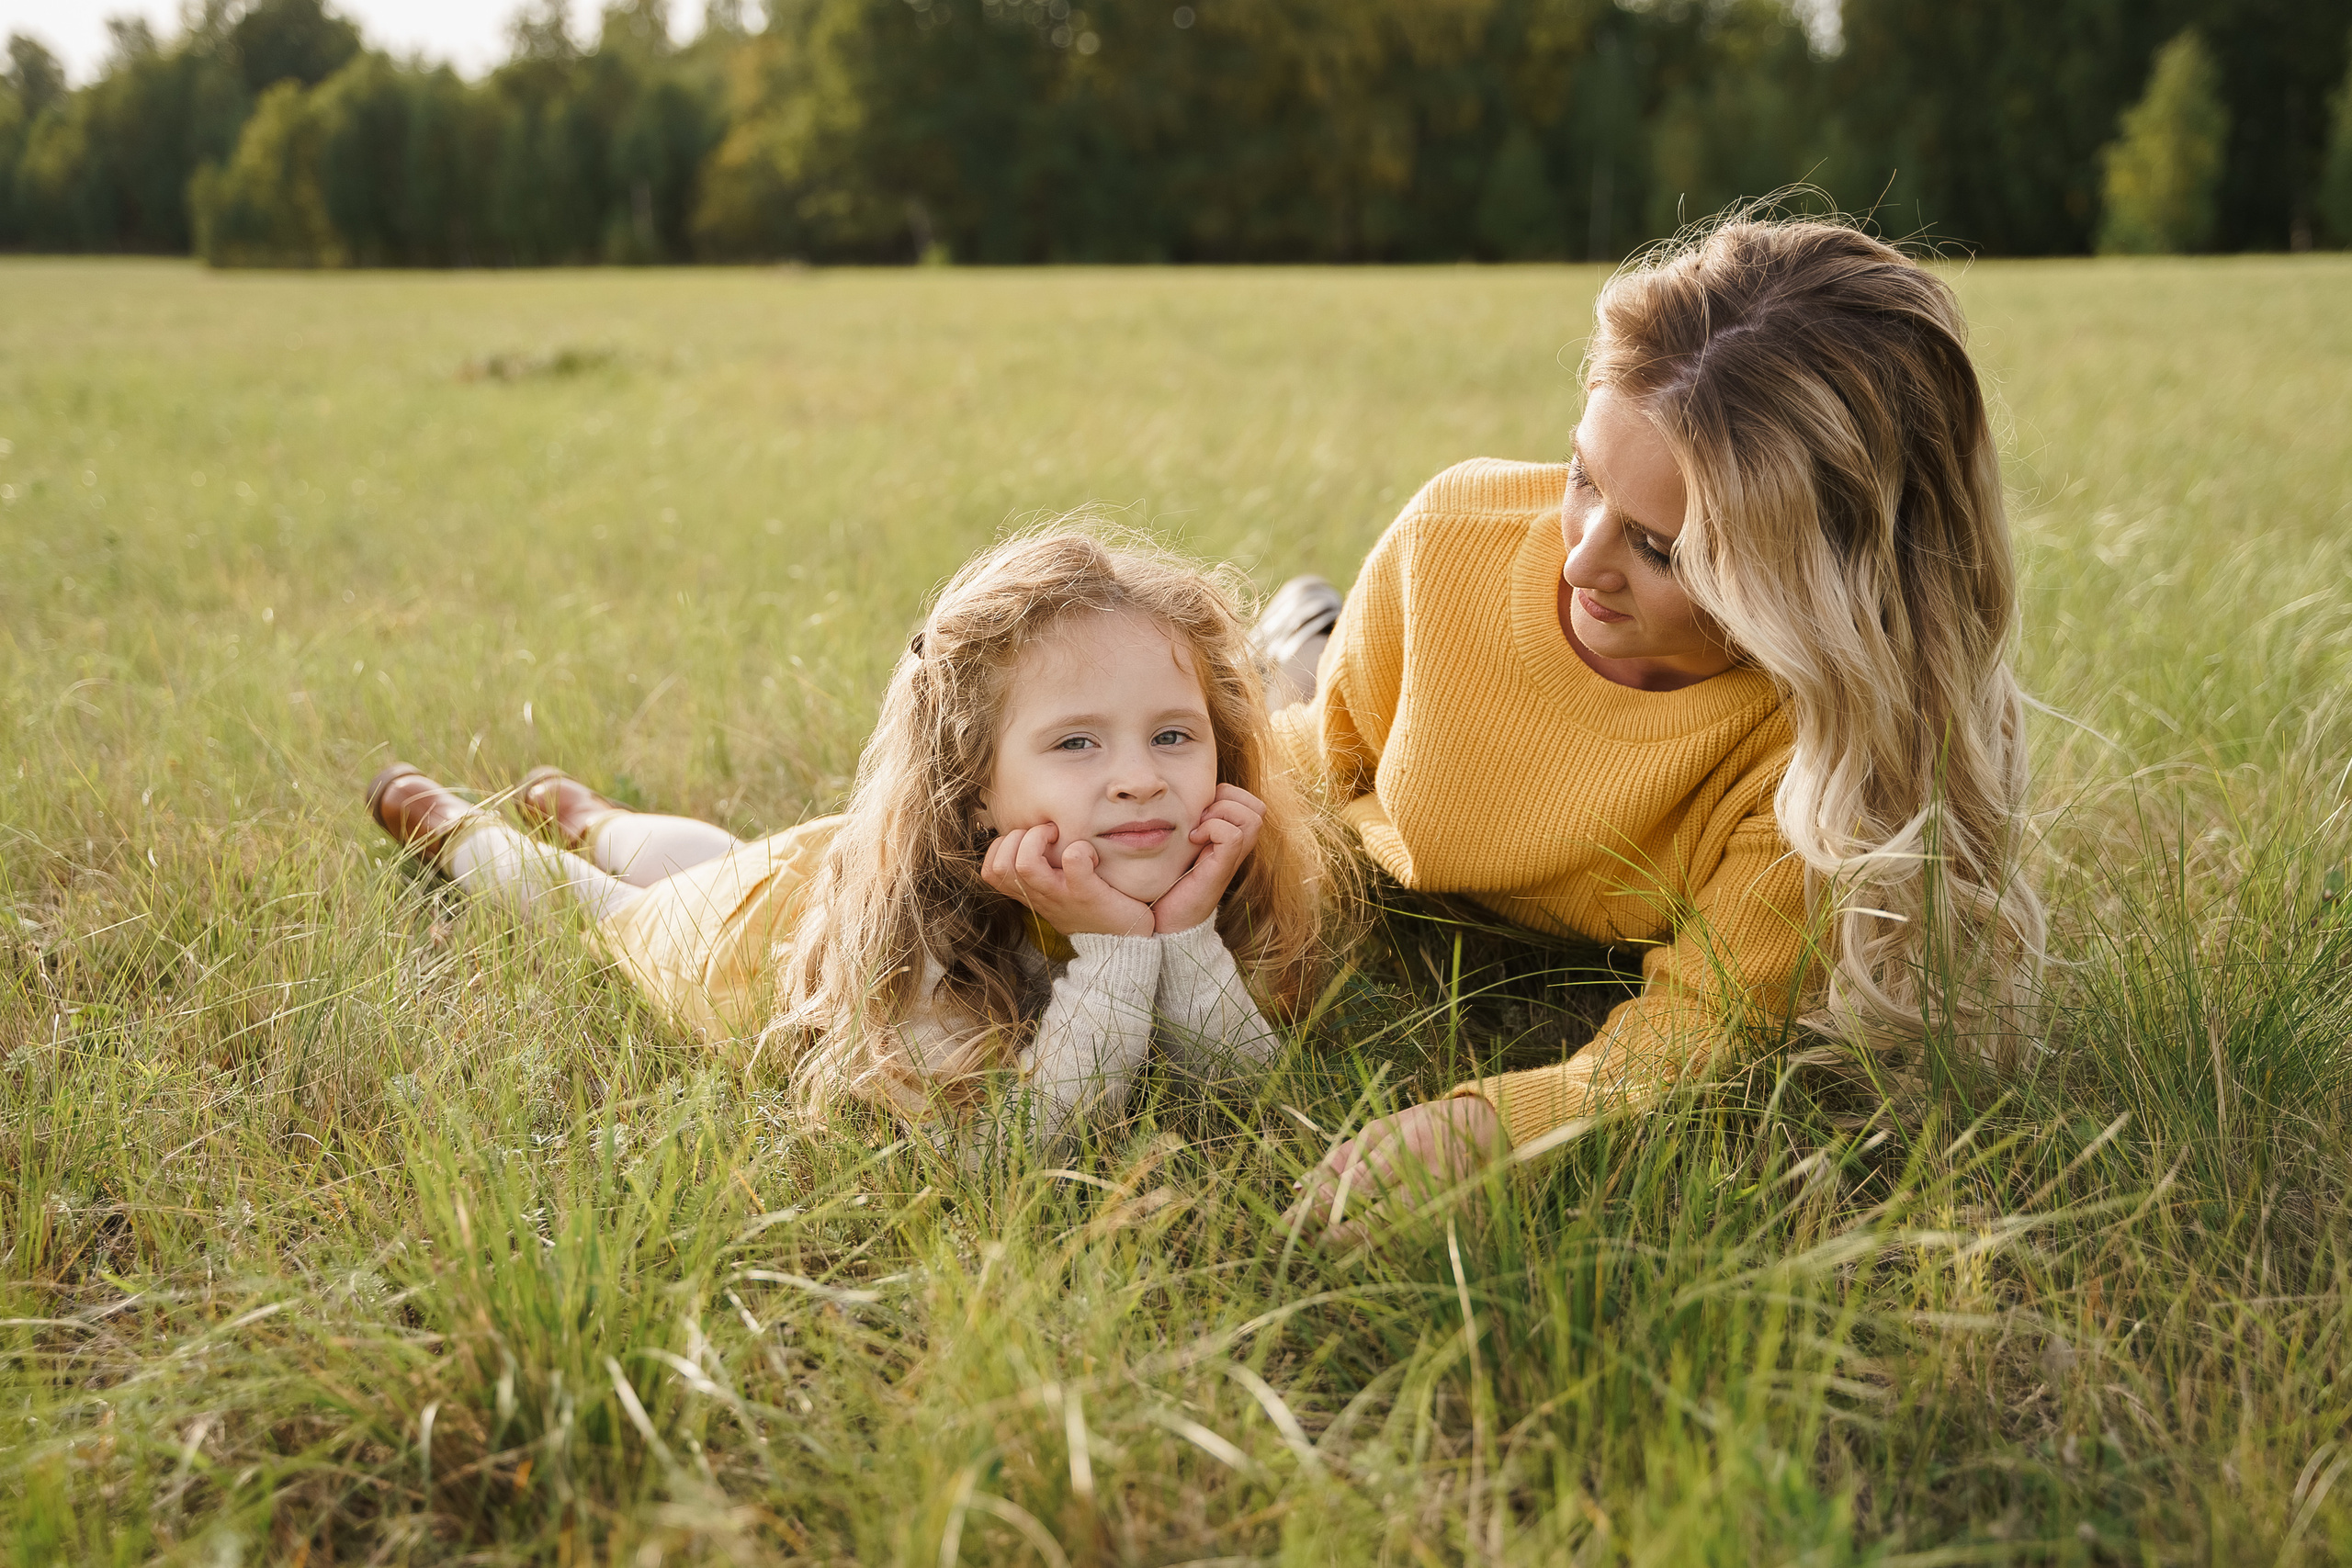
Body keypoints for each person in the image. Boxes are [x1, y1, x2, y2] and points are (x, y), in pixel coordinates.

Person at [1280, 214, 2047, 1235]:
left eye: (1662, 550)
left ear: (1806, 589)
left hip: (1594, 935)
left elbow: (1698, 1030)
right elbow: (1315, 772)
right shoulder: (1447, 541)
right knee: (1288, 682)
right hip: (1392, 802)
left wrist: (1493, 1127)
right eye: (1580, 476)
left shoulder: (1815, 757)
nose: (1579, 563)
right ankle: (1297, 626)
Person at [366, 532, 1329, 1143]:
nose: (1138, 776)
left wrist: (1182, 931)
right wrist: (1124, 950)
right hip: (741, 940)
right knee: (624, 908)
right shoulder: (918, 935)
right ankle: (465, 835)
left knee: (705, 851)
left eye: (1173, 735)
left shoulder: (1202, 871)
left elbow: (1237, 1100)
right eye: (1076, 742)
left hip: (806, 874)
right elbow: (1021, 1149)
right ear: (975, 790)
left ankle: (588, 814)